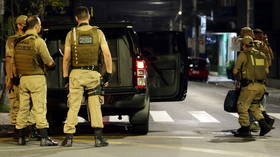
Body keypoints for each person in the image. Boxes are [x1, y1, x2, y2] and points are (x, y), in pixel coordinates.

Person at [61, 6, 112, 147]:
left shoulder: (71, 34)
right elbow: (107, 54)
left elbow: (66, 59)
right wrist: (108, 74)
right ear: (88, 17)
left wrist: (65, 77)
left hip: (76, 75)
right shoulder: (98, 33)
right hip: (93, 74)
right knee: (95, 105)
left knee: (73, 105)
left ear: (76, 18)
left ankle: (69, 138)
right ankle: (98, 138)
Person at [14, 16, 58, 146]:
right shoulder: (38, 41)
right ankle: (44, 137)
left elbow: (14, 62)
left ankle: (21, 137)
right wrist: (52, 66)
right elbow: (48, 61)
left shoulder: (17, 41)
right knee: (40, 108)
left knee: (23, 108)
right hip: (36, 78)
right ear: (37, 26)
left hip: (23, 78)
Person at [5, 15, 39, 140]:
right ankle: (17, 130)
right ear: (19, 25)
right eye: (24, 24)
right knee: (16, 104)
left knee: (29, 104)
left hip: (28, 75)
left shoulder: (32, 38)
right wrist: (9, 77)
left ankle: (28, 129)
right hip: (15, 76)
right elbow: (9, 60)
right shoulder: (12, 40)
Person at [232, 36, 272, 137]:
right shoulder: (262, 55)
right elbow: (267, 71)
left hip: (250, 86)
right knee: (254, 106)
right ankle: (264, 126)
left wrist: (239, 78)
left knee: (242, 106)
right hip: (261, 86)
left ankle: (245, 128)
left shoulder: (243, 54)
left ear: (244, 45)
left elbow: (235, 71)